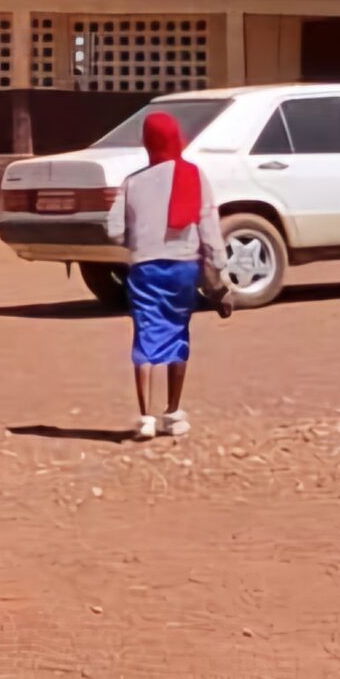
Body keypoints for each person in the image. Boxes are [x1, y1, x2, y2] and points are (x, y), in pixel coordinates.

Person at [105, 111, 226, 439]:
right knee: (177, 332)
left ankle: (145, 417)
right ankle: (173, 413)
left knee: (145, 334)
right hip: (184, 267)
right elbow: (209, 229)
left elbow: (114, 230)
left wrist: (139, 239)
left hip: (145, 268)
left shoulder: (132, 182)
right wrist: (220, 273)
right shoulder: (194, 176)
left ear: (147, 142)